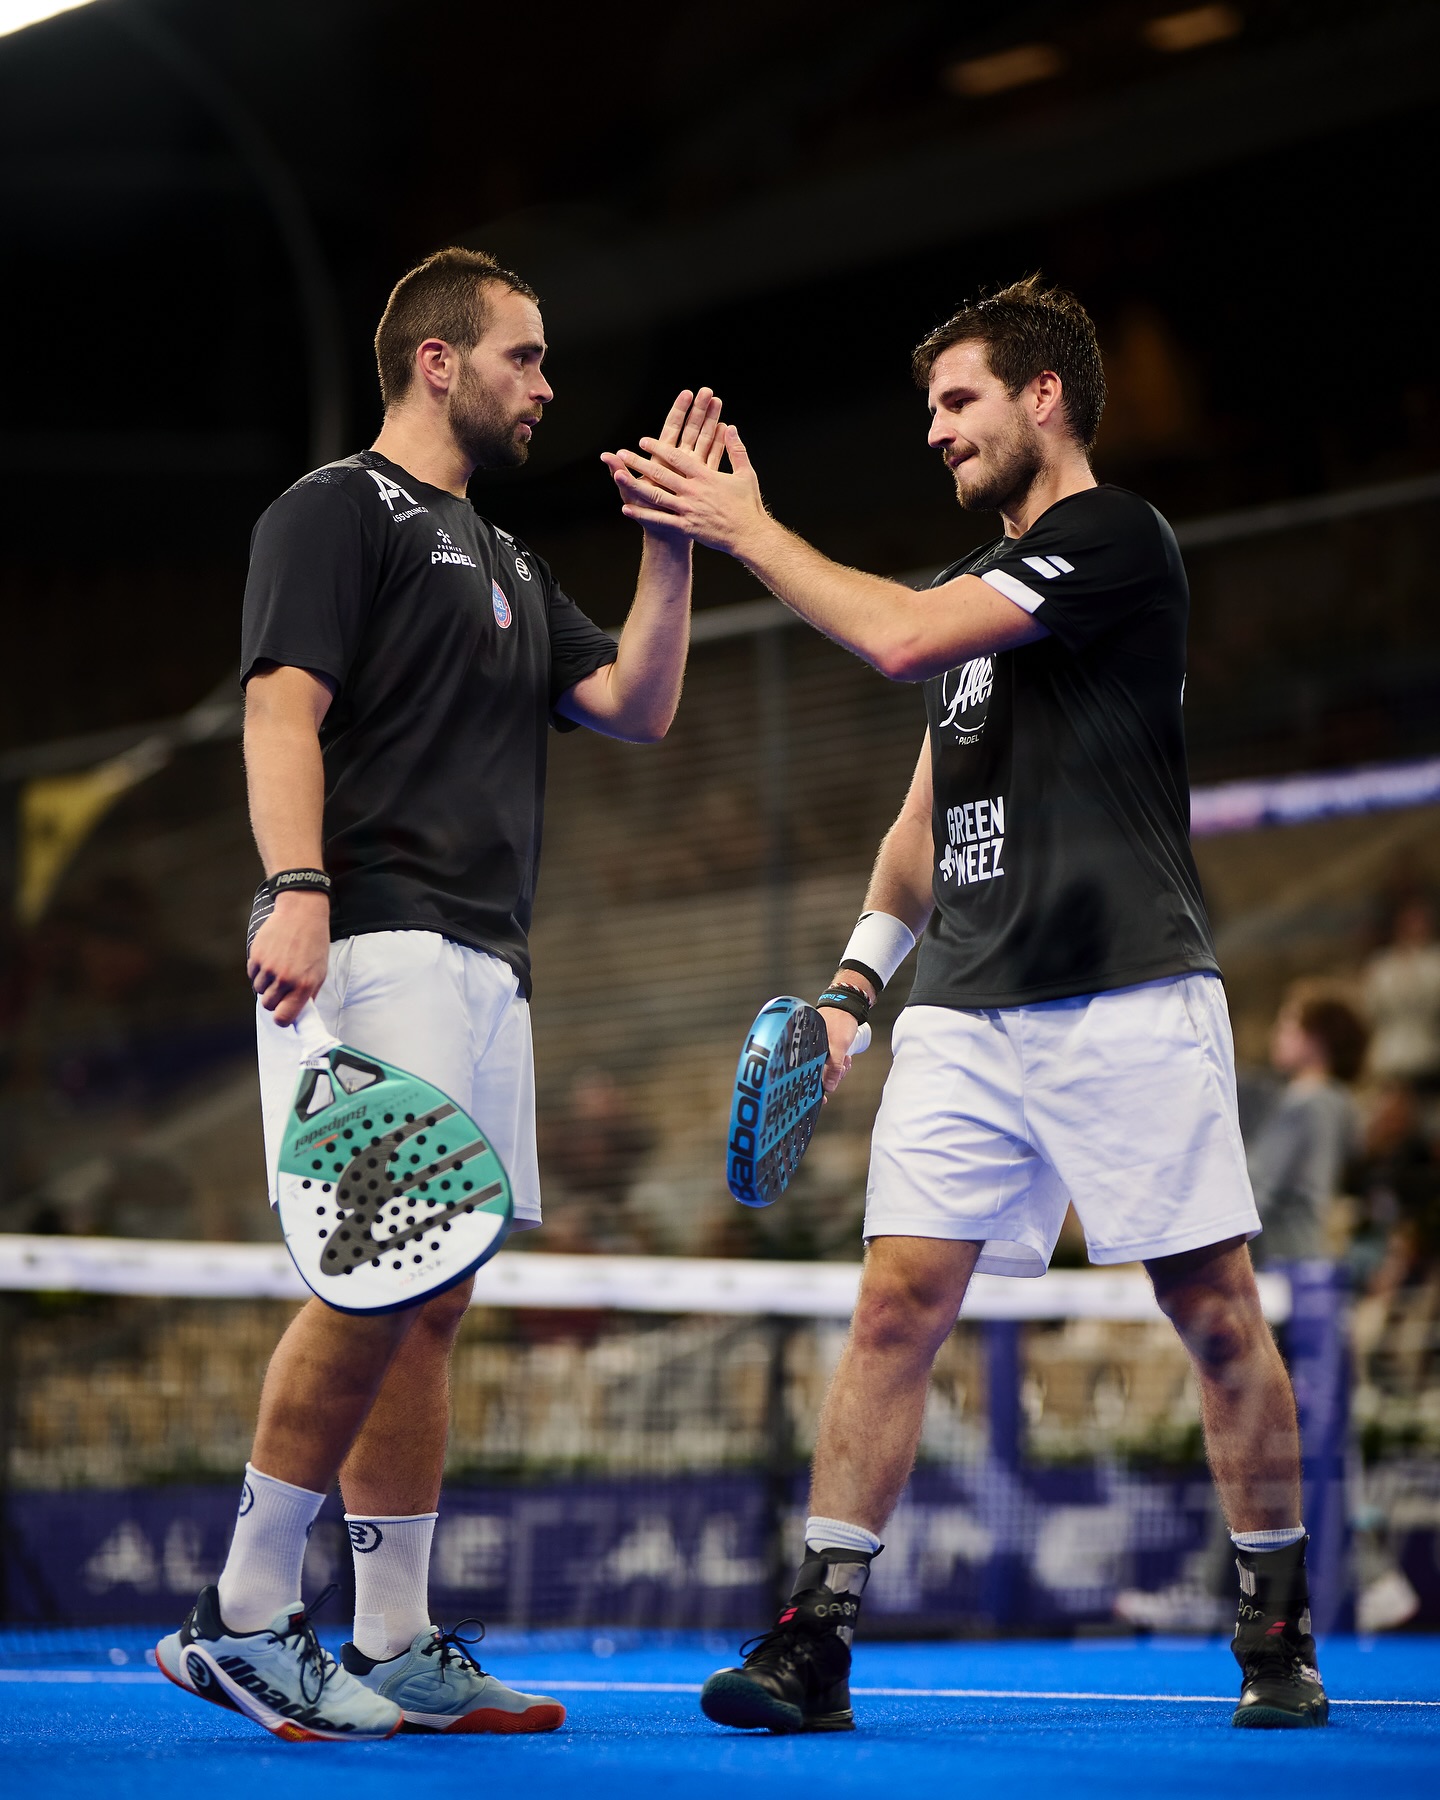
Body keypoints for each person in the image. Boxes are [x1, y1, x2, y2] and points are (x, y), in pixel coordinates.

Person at [606, 275, 1327, 1733]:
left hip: (1127, 991)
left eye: (959, 401)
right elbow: (920, 829)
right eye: (930, 408)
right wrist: (854, 996)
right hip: (965, 1014)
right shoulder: (962, 600)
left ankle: (1276, 1629)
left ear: (1043, 398)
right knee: (893, 1310)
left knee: (1215, 1315)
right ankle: (814, 1641)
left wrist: (743, 529)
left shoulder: (1115, 543)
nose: (936, 431)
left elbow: (891, 641)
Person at [155, 246, 724, 1741]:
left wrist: (670, 544)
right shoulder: (336, 509)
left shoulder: (522, 568)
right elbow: (282, 706)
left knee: (436, 1295)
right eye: (524, 357)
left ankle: (394, 1637)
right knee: (378, 1267)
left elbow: (641, 708)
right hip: (378, 938)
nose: (546, 385)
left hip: (490, 961)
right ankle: (239, 1614)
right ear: (437, 362)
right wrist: (295, 885)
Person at [1246, 979, 1367, 1266]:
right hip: (1305, 1252)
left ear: (1318, 1039)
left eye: (1288, 1026)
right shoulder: (1335, 1102)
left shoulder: (1306, 1103)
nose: (1277, 1034)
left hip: (1283, 1260)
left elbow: (1257, 1191)